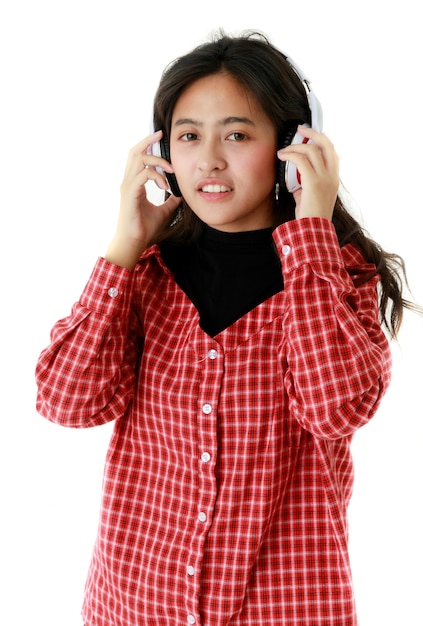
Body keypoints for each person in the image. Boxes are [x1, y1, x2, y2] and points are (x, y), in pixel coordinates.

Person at [35, 30, 419, 626]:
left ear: (292, 146)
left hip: (284, 608)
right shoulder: (145, 273)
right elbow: (66, 402)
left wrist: (312, 228)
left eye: (237, 135)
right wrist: (124, 242)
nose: (208, 160)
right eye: (188, 136)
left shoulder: (339, 275)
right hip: (137, 605)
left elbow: (335, 408)